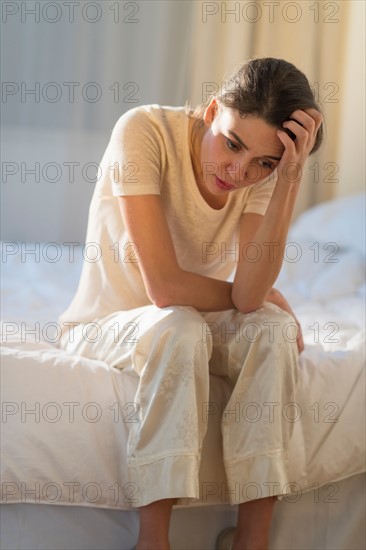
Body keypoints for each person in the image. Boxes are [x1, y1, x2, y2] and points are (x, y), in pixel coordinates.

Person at [57, 57, 323, 550]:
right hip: (107, 325)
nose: (239, 172)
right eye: (232, 144)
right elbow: (164, 287)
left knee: (272, 330)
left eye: (261, 163)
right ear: (212, 110)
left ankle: (252, 540)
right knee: (179, 324)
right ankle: (153, 541)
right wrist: (263, 294)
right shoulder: (143, 131)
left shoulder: (266, 173)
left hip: (189, 322)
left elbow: (246, 296)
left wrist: (287, 177)